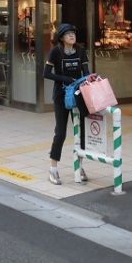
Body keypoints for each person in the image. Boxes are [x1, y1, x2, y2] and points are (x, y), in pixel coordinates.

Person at [43, 22, 96, 185]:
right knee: (60, 133)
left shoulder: (80, 51)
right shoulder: (55, 52)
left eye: (73, 33)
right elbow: (46, 74)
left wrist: (90, 78)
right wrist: (64, 79)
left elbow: (86, 72)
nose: (72, 35)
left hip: (78, 95)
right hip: (61, 96)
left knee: (81, 133)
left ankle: (79, 166)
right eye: (68, 34)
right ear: (61, 38)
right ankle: (53, 168)